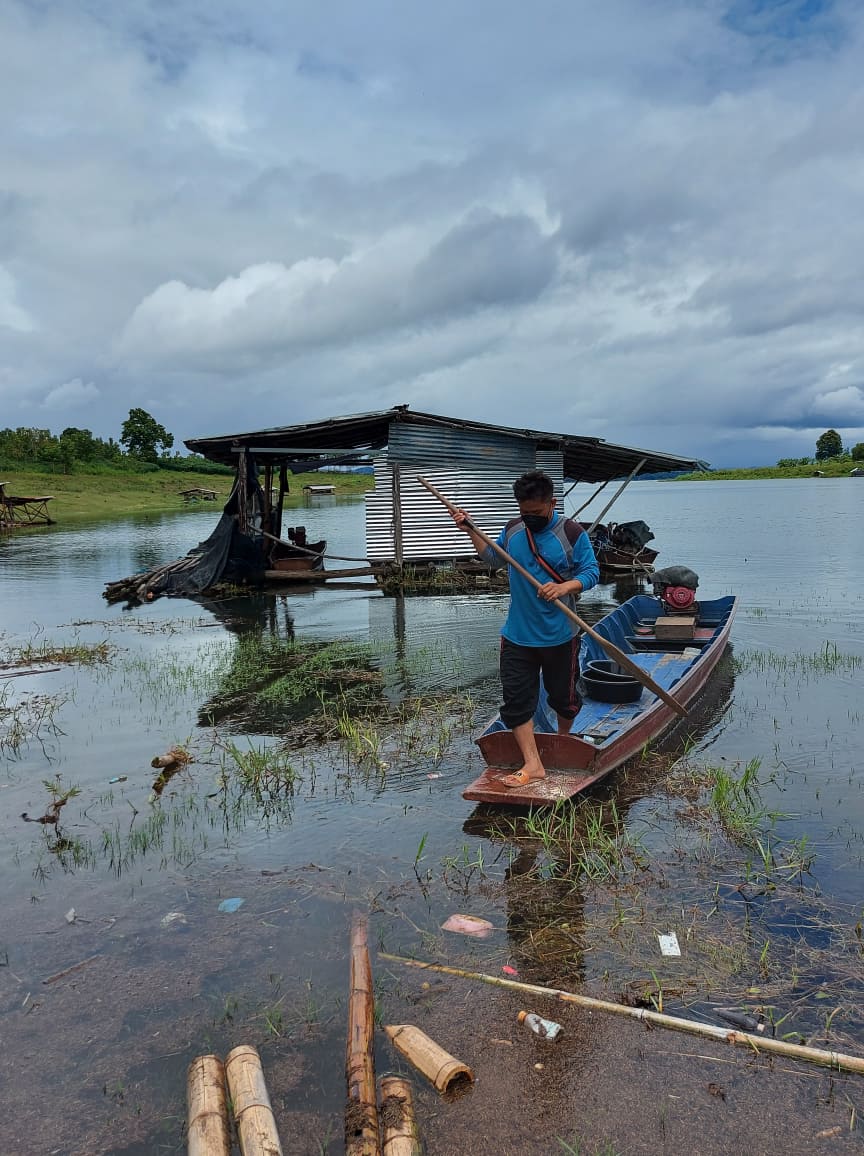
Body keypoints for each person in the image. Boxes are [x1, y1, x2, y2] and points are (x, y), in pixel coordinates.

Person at [451, 470, 599, 788]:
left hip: (560, 635)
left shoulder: (571, 534)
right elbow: (493, 558)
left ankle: (563, 741)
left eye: (536, 512)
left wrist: (565, 588)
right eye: (524, 512)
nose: (529, 517)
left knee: (564, 699)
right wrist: (470, 529)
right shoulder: (514, 529)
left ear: (552, 503)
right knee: (516, 702)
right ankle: (533, 764)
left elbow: (591, 572)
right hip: (517, 635)